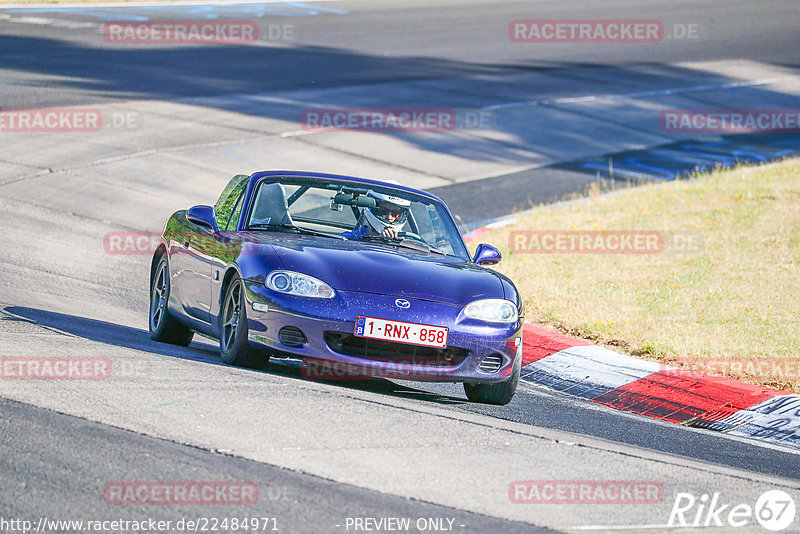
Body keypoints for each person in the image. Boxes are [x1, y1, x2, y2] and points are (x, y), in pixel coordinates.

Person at [342, 190, 411, 240]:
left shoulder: (405, 244)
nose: (389, 217)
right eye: (383, 211)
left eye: (396, 214)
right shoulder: (349, 238)